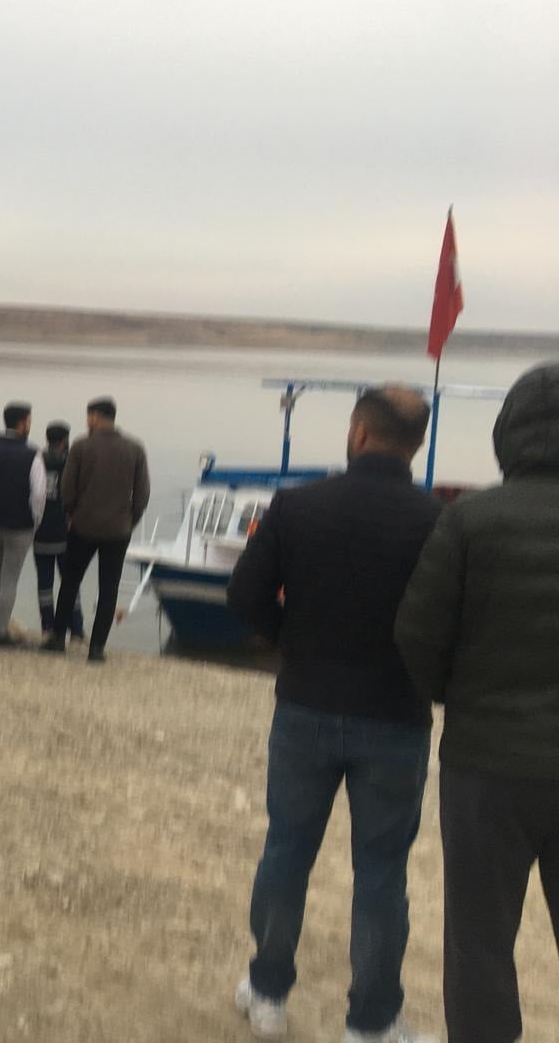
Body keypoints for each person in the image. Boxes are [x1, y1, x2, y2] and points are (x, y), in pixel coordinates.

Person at [226, 386, 440, 1043]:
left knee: (287, 850)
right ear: (416, 444)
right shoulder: (436, 520)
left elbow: (245, 594)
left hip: (306, 705)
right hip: (396, 715)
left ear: (358, 432)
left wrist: (290, 640)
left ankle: (267, 993)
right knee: (381, 871)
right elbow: (450, 622)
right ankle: (371, 1022)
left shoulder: (298, 505)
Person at [395, 362, 559, 1043]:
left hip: (485, 768)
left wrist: (458, 696)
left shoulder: (469, 520)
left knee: (480, 938)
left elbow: (417, 635)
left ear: (505, 435)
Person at [46, 397, 149, 663]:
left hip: (83, 526)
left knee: (70, 582)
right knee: (109, 587)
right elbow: (142, 494)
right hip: (118, 530)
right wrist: (131, 520)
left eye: (88, 417)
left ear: (93, 417)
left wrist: (70, 513)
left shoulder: (82, 446)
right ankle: (96, 648)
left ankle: (57, 638)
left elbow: (67, 487)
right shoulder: (135, 448)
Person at [0, 402, 48, 647]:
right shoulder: (32, 454)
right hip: (20, 524)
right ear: (23, 423)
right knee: (10, 576)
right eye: (29, 421)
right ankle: (1, 632)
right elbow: (39, 493)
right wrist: (36, 519)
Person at [34, 421, 84, 639]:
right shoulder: (71, 462)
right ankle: (76, 628)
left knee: (44, 583)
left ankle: (47, 626)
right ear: (65, 440)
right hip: (67, 532)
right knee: (71, 582)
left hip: (41, 530)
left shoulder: (37, 460)